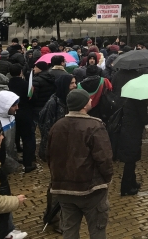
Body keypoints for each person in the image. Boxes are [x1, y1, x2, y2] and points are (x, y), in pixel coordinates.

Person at [46, 89, 113, 239]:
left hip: (63, 190)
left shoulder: (57, 126)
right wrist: (107, 179)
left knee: (69, 230)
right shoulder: (95, 126)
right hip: (90, 189)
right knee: (97, 230)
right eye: (88, 99)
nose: (91, 100)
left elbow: (49, 156)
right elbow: (104, 158)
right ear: (83, 105)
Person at [117, 73, 148, 196]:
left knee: (132, 158)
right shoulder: (139, 101)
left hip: (129, 131)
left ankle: (132, 182)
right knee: (130, 160)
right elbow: (145, 119)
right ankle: (126, 188)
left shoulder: (130, 98)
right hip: (132, 132)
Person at [38, 74, 77, 161]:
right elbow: (46, 126)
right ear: (64, 85)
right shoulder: (53, 102)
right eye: (71, 83)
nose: (75, 85)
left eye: (75, 82)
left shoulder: (71, 100)